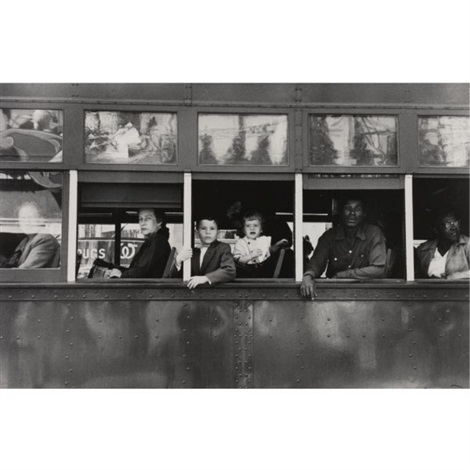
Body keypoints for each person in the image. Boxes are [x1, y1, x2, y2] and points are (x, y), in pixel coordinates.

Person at [300, 198, 387, 299]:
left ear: (363, 214)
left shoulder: (373, 233)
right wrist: (308, 276)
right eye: (347, 208)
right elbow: (316, 263)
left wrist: (341, 275)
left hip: (366, 295)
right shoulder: (329, 236)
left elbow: (379, 269)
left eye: (358, 209)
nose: (352, 213)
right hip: (334, 295)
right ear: (341, 213)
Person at [167, 216, 236, 288]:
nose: (208, 232)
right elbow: (173, 279)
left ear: (217, 232)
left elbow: (229, 270)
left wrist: (205, 278)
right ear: (197, 232)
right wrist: (178, 260)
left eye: (212, 228)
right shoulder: (192, 252)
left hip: (215, 295)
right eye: (203, 228)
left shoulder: (223, 248)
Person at [107, 209, 170, 279]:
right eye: (140, 219)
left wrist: (121, 275)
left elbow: (140, 271)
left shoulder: (157, 240)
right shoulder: (158, 240)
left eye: (147, 219)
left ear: (159, 221)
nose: (142, 223)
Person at [1, 201, 60, 269]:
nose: (26, 222)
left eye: (30, 217)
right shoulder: (25, 241)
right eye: (23, 218)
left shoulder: (44, 239)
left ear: (41, 220)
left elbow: (23, 271)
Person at [415, 210, 470, 280]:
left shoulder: (467, 245)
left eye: (456, 223)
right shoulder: (423, 249)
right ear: (436, 229)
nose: (454, 228)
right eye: (448, 224)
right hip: (430, 289)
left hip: (457, 289)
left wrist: (453, 277)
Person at [233, 211, 288, 277]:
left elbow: (270, 251)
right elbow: (238, 261)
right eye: (248, 226)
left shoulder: (264, 240)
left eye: (255, 225)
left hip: (263, 270)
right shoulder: (240, 243)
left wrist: (278, 244)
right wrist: (251, 255)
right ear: (244, 230)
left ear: (261, 229)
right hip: (247, 271)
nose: (252, 228)